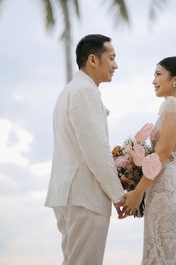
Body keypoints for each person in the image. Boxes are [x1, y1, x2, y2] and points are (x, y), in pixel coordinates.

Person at [45, 34, 124, 265]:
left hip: (69, 194)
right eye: (111, 58)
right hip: (84, 196)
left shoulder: (69, 91)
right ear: (92, 59)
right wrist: (118, 194)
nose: (115, 65)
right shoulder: (84, 92)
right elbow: (95, 150)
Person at [122, 56, 176, 265]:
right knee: (173, 256)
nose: (153, 81)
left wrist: (138, 193)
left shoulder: (171, 105)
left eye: (158, 74)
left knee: (160, 258)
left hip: (166, 193)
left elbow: (162, 157)